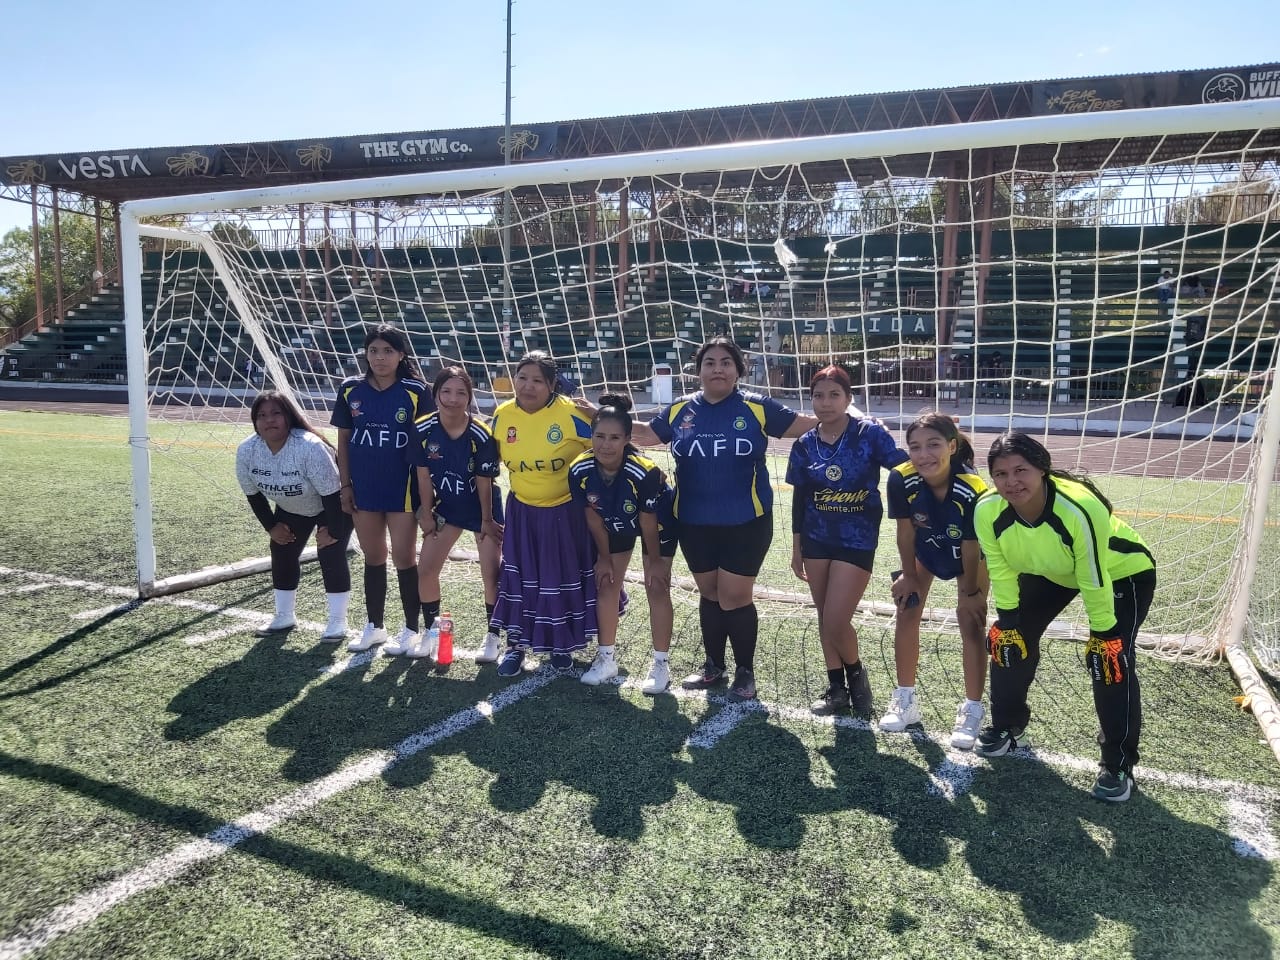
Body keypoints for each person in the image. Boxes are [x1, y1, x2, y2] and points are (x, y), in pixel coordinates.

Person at [632, 337, 821, 700]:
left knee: (734, 596)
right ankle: (713, 666)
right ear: (698, 371)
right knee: (709, 593)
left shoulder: (756, 407)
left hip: (746, 521)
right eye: (710, 363)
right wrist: (595, 417)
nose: (717, 369)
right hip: (693, 522)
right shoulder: (680, 410)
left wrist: (853, 417)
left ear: (738, 370)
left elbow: (806, 424)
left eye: (725, 362)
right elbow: (646, 434)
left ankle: (745, 672)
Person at [974, 432, 1156, 802]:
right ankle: (1008, 727)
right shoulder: (986, 509)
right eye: (1001, 474)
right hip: (1054, 571)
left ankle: (1118, 764)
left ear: (1042, 468)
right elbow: (1000, 567)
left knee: (1110, 661)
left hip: (1120, 572)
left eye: (1021, 470)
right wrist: (1007, 620)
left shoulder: (1078, 507)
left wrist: (1104, 633)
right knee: (1009, 641)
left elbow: (1093, 575)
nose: (1011, 482)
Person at [786, 366, 906, 717]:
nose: (825, 403)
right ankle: (836, 688)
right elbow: (800, 498)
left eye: (834, 395)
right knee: (825, 617)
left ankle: (857, 678)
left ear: (848, 398)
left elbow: (903, 468)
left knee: (837, 619)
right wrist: (796, 546)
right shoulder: (804, 444)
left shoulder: (869, 434)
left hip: (857, 539)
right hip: (815, 539)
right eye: (818, 396)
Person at [883, 412, 989, 748]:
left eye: (933, 445)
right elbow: (905, 532)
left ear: (952, 446)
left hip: (969, 554)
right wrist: (908, 575)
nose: (924, 454)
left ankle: (972, 709)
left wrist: (970, 592)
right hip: (927, 547)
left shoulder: (973, 488)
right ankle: (905, 700)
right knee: (906, 609)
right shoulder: (900, 478)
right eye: (915, 447)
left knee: (970, 620)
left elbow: (971, 546)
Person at [490, 350, 598, 675]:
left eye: (538, 380)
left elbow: (608, 446)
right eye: (522, 378)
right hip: (521, 514)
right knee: (520, 580)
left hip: (566, 514)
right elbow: (487, 466)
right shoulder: (502, 416)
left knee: (559, 578)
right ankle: (515, 647)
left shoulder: (573, 414)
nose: (528, 386)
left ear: (552, 385)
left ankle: (561, 644)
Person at [330, 324, 435, 654]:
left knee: (404, 556)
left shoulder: (416, 391)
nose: (380, 357)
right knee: (373, 556)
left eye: (388, 351)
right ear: (365, 354)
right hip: (364, 488)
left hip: (402, 489)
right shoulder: (350, 389)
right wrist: (345, 485)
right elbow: (344, 441)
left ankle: (411, 629)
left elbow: (428, 443)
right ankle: (375, 626)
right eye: (373, 350)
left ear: (401, 355)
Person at [569, 394, 678, 693]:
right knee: (606, 583)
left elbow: (648, 521)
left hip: (657, 523)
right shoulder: (579, 469)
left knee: (656, 585)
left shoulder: (644, 472)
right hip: (615, 519)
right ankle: (606, 659)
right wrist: (604, 558)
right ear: (591, 436)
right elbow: (593, 518)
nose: (606, 444)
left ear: (628, 439)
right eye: (600, 436)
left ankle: (661, 664)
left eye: (615, 438)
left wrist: (654, 562)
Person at [406, 366, 505, 662]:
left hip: (482, 510)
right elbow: (423, 475)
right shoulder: (422, 428)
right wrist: (426, 513)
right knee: (426, 569)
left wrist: (486, 521)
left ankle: (493, 636)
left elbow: (484, 481)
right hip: (447, 507)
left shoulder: (480, 433)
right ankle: (432, 631)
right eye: (446, 391)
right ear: (436, 394)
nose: (453, 399)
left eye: (461, 393)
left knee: (491, 573)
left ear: (469, 397)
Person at [236, 390, 353, 640]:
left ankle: (338, 621)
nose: (269, 420)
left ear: (289, 417)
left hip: (333, 505)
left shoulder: (309, 447)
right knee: (281, 548)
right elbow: (253, 495)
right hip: (293, 508)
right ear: (254, 421)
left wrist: (333, 530)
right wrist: (271, 527)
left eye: (276, 413)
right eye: (262, 415)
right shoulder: (247, 450)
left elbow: (332, 494)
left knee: (330, 552)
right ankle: (284, 615)